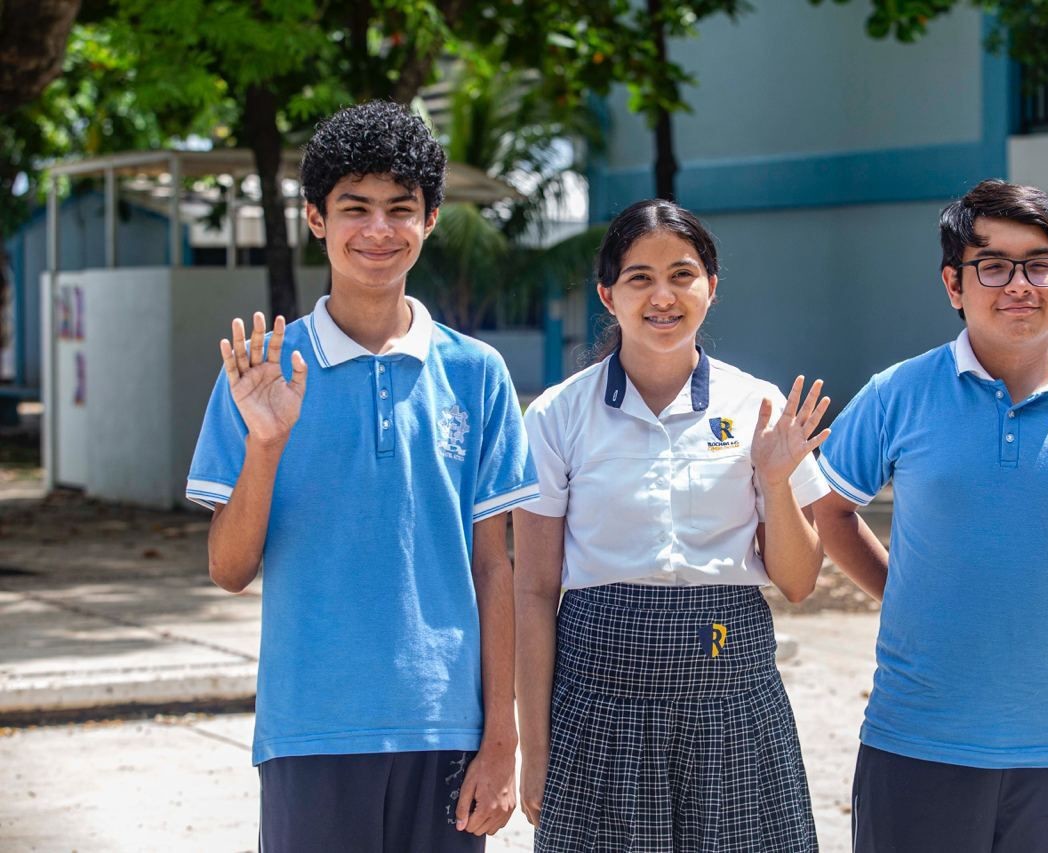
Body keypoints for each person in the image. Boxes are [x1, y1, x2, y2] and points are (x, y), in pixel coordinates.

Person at [186, 100, 539, 851]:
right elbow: (227, 568)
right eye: (355, 208)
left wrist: (500, 737)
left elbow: (493, 566)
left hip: (448, 727)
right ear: (316, 218)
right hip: (310, 728)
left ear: (431, 219)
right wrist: (265, 445)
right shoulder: (260, 372)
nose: (378, 230)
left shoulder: (477, 373)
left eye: (400, 209)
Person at [813, 179, 1048, 853]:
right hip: (916, 737)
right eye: (991, 264)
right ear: (954, 285)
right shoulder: (897, 393)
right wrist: (899, 589)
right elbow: (828, 507)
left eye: (1038, 263)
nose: (1018, 283)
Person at [514, 199, 830, 852]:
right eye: (640, 277)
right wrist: (535, 747)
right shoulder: (555, 416)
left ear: (711, 288)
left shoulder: (760, 407)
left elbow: (798, 583)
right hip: (598, 709)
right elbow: (535, 591)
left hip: (734, 705)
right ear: (608, 293)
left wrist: (775, 479)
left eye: (683, 274)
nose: (663, 295)